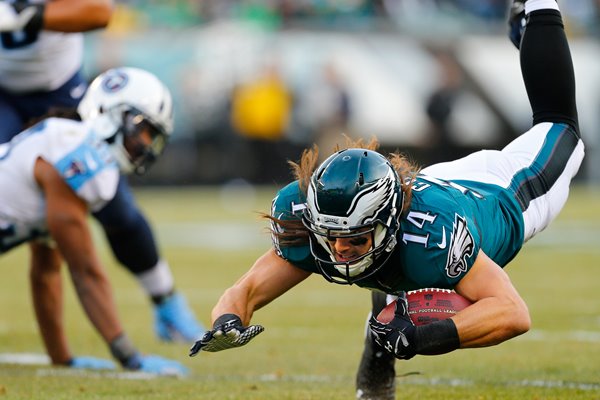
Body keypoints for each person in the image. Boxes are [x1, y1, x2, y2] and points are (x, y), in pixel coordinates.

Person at [188, 1, 584, 399]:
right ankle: (379, 357)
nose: (340, 250)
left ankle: (537, 5)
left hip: (505, 196)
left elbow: (513, 312)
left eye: (356, 238)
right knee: (392, 274)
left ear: (387, 222)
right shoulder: (316, 221)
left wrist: (424, 338)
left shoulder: (433, 240)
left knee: (560, 125)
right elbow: (246, 290)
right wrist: (227, 320)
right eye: (331, 237)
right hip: (432, 188)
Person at [0, 0, 204, 342]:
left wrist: (30, 16)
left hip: (59, 93)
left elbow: (100, 11)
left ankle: (166, 300)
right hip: (2, 96)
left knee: (113, 202)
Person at [0, 67, 190, 375]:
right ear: (110, 114)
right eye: (143, 129)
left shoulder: (63, 143)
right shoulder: (75, 153)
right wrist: (130, 357)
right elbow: (86, 272)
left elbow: (46, 271)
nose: (145, 143)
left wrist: (62, 359)